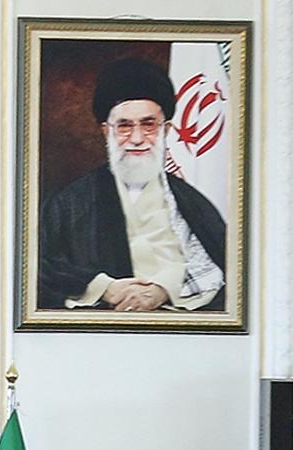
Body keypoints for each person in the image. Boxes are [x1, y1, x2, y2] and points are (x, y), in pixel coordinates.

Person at [36, 58, 226, 313]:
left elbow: (223, 269)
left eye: (148, 125)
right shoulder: (67, 204)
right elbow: (37, 268)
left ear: (166, 130)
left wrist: (164, 290)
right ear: (107, 132)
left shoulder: (191, 201)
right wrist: (104, 288)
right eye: (124, 126)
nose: (137, 138)